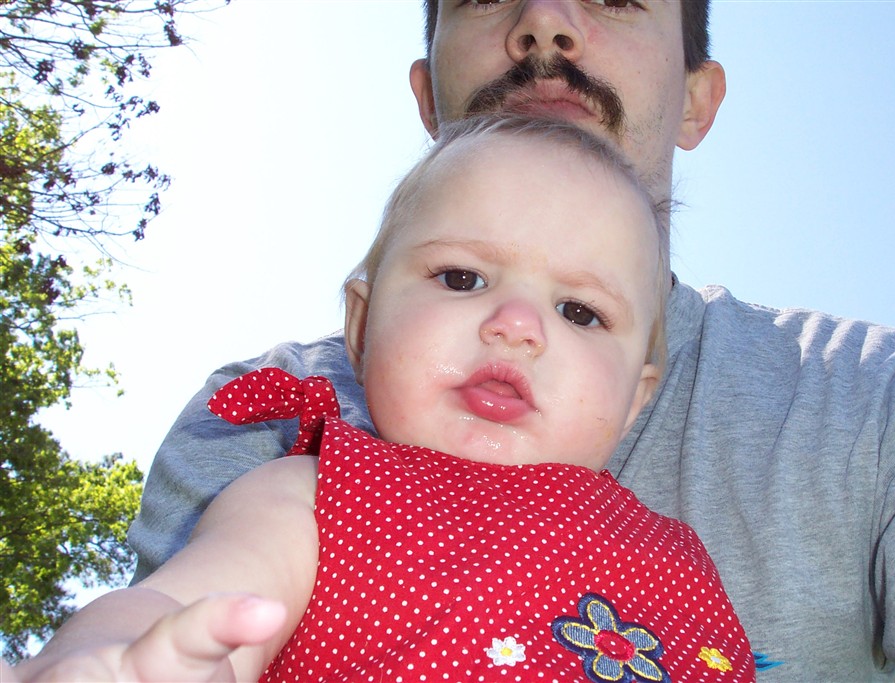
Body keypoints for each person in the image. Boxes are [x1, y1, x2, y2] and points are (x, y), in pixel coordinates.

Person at [125, 2, 895, 682]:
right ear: (427, 95)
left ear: (697, 99)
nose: (545, 20)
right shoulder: (273, 428)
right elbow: (165, 631)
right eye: (461, 277)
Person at [8, 115, 757, 682]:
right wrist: (115, 656)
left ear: (635, 399)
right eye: (462, 278)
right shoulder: (313, 496)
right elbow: (179, 606)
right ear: (362, 327)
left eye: (580, 312)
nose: (517, 326)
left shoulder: (682, 557)